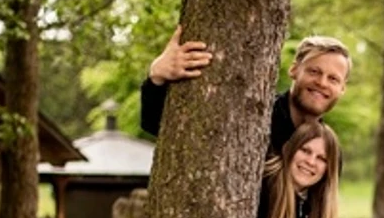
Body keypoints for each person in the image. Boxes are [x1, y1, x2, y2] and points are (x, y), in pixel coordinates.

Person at [140, 26, 351, 158]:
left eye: (333, 79)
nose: (322, 83)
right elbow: (162, 128)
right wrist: (157, 76)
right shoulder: (252, 112)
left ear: (342, 89)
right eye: (314, 71)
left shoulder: (327, 151)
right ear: (294, 69)